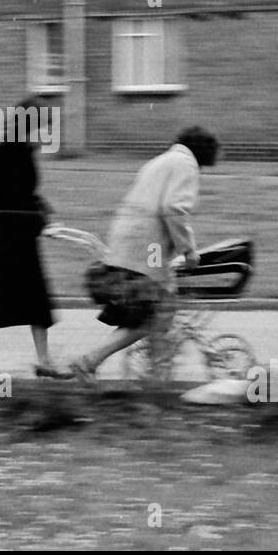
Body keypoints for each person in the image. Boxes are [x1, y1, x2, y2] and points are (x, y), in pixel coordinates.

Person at [69, 126, 219, 383]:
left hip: (124, 241)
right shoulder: (186, 165)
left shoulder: (158, 161)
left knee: (149, 310)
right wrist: (189, 251)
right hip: (147, 248)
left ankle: (155, 376)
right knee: (160, 311)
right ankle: (98, 363)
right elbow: (173, 208)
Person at [0, 98, 70, 380]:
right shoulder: (5, 154)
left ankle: (44, 361)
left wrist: (42, 210)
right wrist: (38, 218)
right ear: (29, 125)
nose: (46, 133)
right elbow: (6, 197)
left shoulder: (21, 152)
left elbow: (25, 194)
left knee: (36, 297)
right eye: (43, 127)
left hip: (18, 235)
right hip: (0, 237)